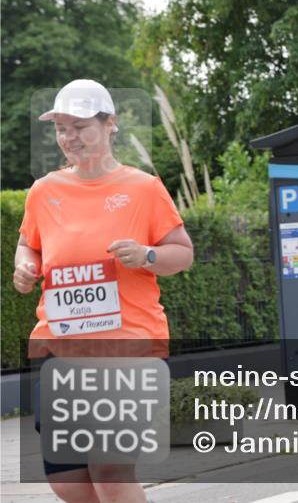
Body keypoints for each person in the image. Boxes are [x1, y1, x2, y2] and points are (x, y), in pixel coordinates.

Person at [12, 79, 194, 503]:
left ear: (109, 124)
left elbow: (182, 254)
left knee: (111, 472)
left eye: (79, 126)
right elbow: (29, 244)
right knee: (68, 482)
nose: (69, 137)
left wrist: (148, 255)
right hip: (60, 352)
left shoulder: (143, 188)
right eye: (61, 128)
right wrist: (25, 265)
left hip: (126, 350)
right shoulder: (44, 191)